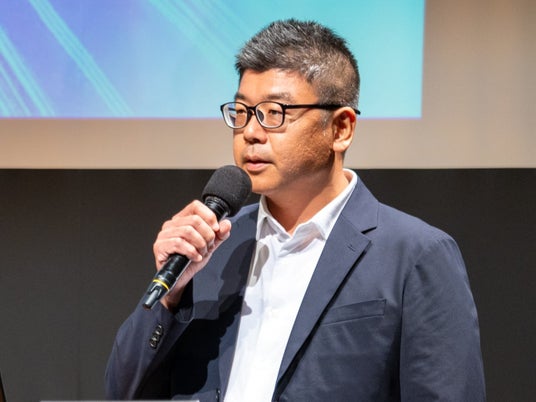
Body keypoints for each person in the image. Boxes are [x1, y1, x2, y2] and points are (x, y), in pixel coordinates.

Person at [105, 19, 486, 401]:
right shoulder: (213, 245)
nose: (251, 132)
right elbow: (123, 391)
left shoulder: (415, 254)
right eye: (242, 111)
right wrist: (171, 296)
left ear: (341, 129)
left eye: (274, 113)